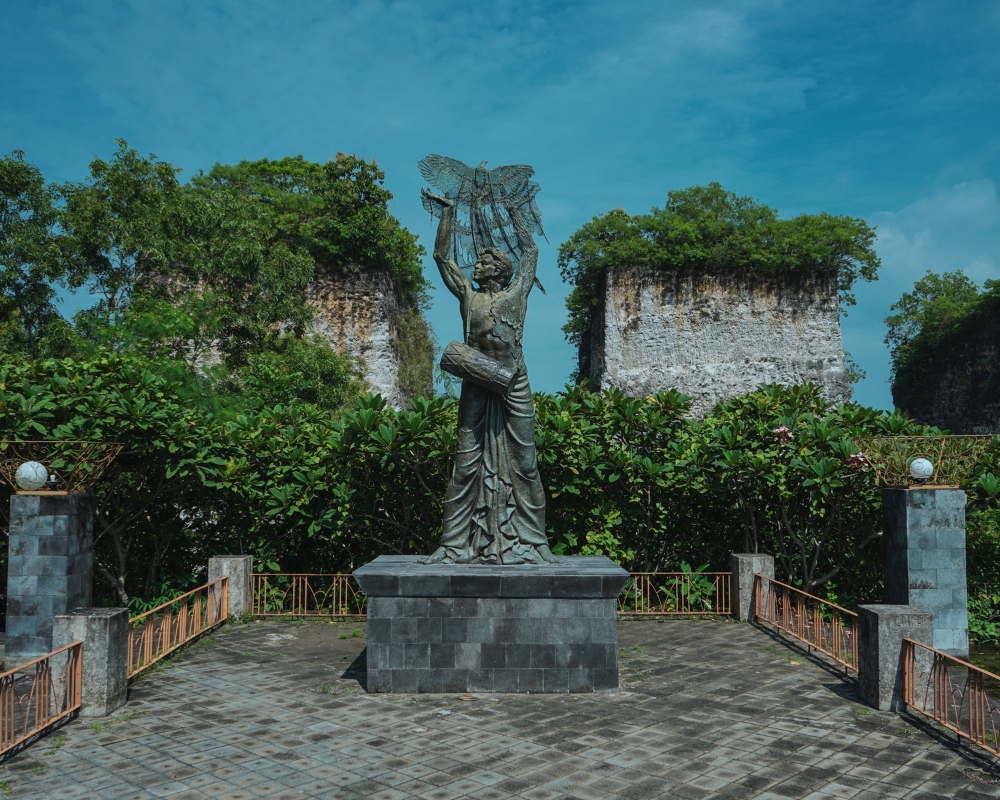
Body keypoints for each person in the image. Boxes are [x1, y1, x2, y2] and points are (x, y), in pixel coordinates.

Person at [421, 189, 557, 565]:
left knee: (524, 461)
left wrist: (515, 211)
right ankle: (452, 543)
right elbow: (441, 257)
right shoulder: (469, 297)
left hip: (515, 383)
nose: (475, 266)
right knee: (466, 463)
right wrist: (447, 213)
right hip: (477, 382)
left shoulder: (516, 295)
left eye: (483, 262)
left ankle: (534, 540)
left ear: (498, 269)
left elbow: (531, 254)